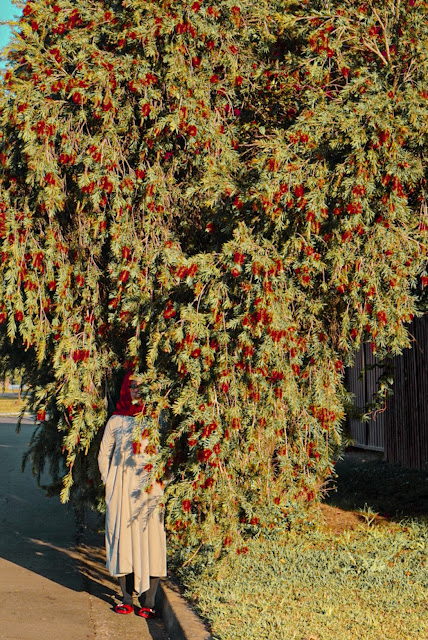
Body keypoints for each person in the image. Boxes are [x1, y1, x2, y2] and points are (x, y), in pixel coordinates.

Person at [98, 370, 167, 617]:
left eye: (141, 386)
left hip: (150, 491)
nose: (137, 390)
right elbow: (104, 454)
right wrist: (109, 482)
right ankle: (126, 598)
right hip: (122, 492)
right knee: (123, 540)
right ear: (126, 389)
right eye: (133, 386)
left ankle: (149, 602)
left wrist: (163, 482)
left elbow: (168, 453)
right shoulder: (116, 421)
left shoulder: (156, 418)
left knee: (152, 541)